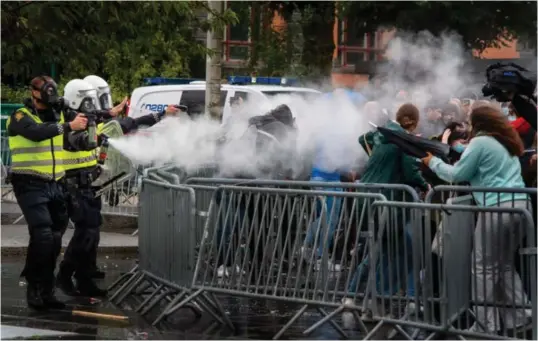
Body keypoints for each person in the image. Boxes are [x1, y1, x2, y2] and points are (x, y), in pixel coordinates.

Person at [56, 78, 182, 297]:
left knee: (92, 233)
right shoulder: (70, 123)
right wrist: (99, 133)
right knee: (86, 232)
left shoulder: (91, 119)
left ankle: (84, 280)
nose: (94, 106)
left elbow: (131, 123)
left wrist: (161, 114)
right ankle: (65, 276)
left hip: (90, 182)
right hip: (72, 183)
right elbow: (81, 141)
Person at [422, 105, 531, 333]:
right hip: (520, 206)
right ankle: (520, 316)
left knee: (482, 267)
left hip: (495, 208)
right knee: (505, 264)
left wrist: (432, 162)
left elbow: (457, 174)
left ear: (478, 123)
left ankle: (485, 324)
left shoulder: (481, 142)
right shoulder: (504, 140)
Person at [6, 76, 87, 309]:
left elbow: (86, 120)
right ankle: (34, 287)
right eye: (46, 92)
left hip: (56, 183)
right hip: (29, 182)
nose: (50, 97)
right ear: (34, 93)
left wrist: (108, 114)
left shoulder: (59, 113)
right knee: (41, 235)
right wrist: (69, 125)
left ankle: (47, 289)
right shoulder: (20, 115)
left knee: (54, 238)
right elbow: (37, 133)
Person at [346, 103, 430, 306]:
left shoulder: (382, 134)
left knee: (379, 250)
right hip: (386, 201)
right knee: (402, 251)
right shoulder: (402, 139)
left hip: (368, 198)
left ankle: (356, 296)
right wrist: (423, 183)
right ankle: (377, 296)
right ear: (411, 121)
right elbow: (411, 170)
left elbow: (362, 138)